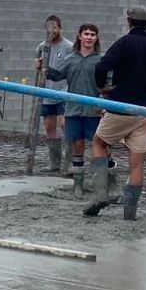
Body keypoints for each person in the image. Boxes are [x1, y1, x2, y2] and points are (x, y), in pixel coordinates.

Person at [85, 6, 146, 220]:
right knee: (137, 163)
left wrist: (103, 87)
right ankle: (130, 213)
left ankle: (100, 194)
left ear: (129, 21)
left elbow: (101, 68)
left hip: (120, 106)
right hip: (145, 111)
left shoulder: (123, 43)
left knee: (99, 143)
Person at [45, 22, 104, 195]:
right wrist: (43, 67)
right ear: (80, 36)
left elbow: (107, 85)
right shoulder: (70, 59)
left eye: (92, 34)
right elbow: (56, 75)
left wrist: (104, 99)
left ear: (96, 38)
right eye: (86, 34)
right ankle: (78, 184)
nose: (89, 37)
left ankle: (100, 184)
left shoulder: (101, 60)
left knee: (99, 148)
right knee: (77, 147)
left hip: (94, 112)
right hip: (73, 110)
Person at [34, 14, 74, 173]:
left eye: (55, 28)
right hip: (47, 91)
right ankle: (54, 163)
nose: (52, 31)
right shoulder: (42, 47)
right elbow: (38, 66)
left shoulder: (69, 47)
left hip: (63, 91)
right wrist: (37, 65)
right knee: (50, 126)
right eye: (49, 28)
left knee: (64, 123)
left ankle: (70, 161)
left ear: (60, 28)